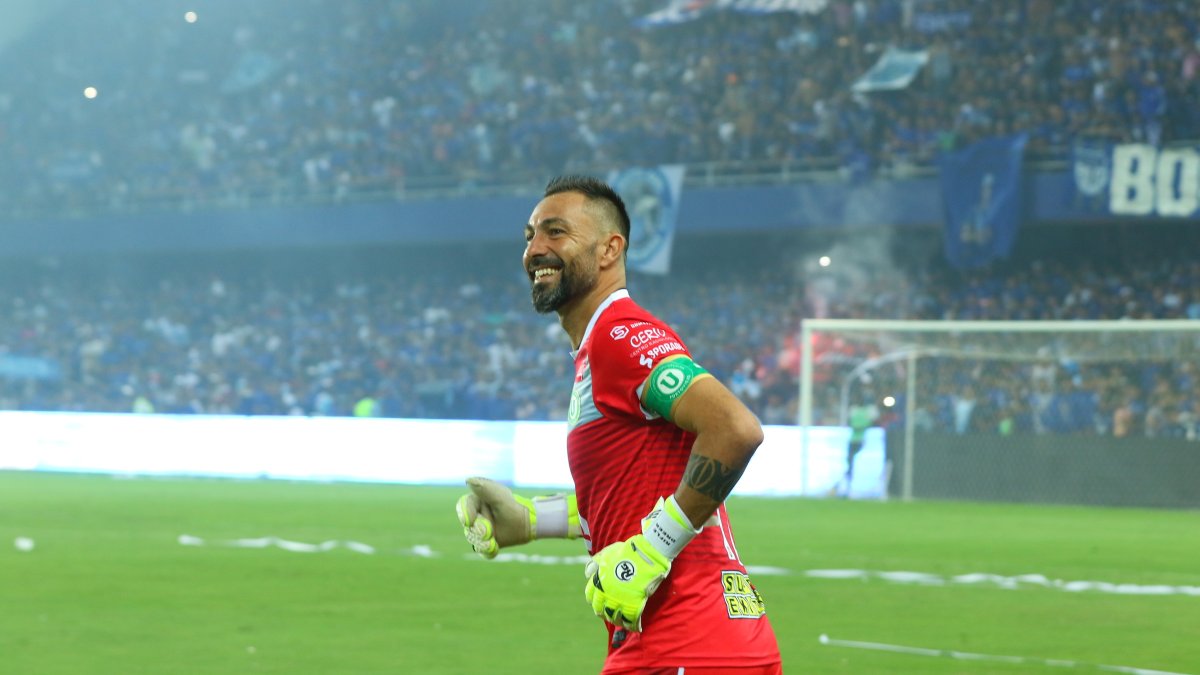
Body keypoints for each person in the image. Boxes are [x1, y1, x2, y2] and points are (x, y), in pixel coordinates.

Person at [456, 175, 782, 673]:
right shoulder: (597, 347)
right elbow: (629, 497)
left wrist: (653, 548)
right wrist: (530, 520)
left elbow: (735, 429)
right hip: (706, 641)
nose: (535, 249)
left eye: (556, 232)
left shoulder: (620, 335)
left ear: (610, 249)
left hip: (682, 643)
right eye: (530, 236)